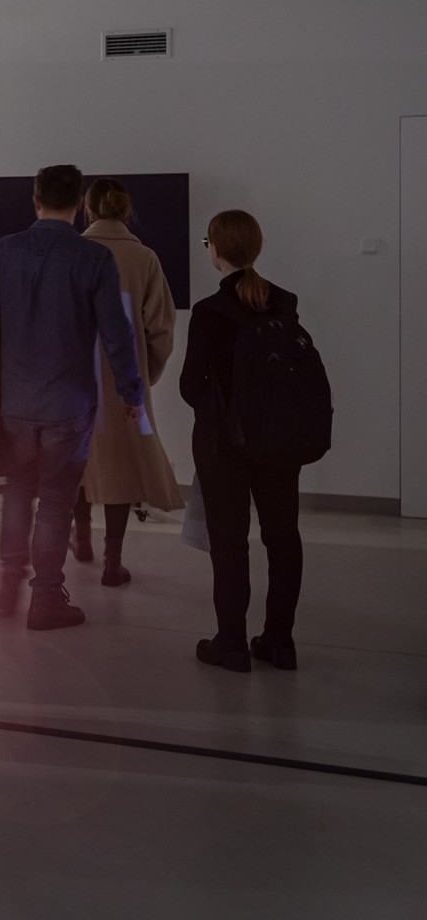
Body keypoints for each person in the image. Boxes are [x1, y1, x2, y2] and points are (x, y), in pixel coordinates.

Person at [0, 165, 142, 630]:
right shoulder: (93, 258)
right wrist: (131, 390)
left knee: (18, 489)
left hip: (15, 399)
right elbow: (116, 333)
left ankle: (7, 584)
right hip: (69, 401)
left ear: (35, 199)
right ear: (80, 204)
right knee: (58, 500)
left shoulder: (3, 251)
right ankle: (45, 598)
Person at [178, 211, 307, 673]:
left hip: (224, 443)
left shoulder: (210, 311)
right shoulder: (285, 301)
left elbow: (190, 385)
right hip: (280, 439)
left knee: (230, 542)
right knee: (283, 536)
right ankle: (280, 642)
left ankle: (231, 643)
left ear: (215, 249)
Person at [74, 179, 182, 585]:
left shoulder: (73, 252)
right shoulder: (144, 257)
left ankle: (80, 539)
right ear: (125, 210)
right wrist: (146, 372)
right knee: (121, 464)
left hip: (73, 376)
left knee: (77, 459)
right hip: (126, 379)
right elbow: (161, 328)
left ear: (87, 209)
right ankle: (112, 560)